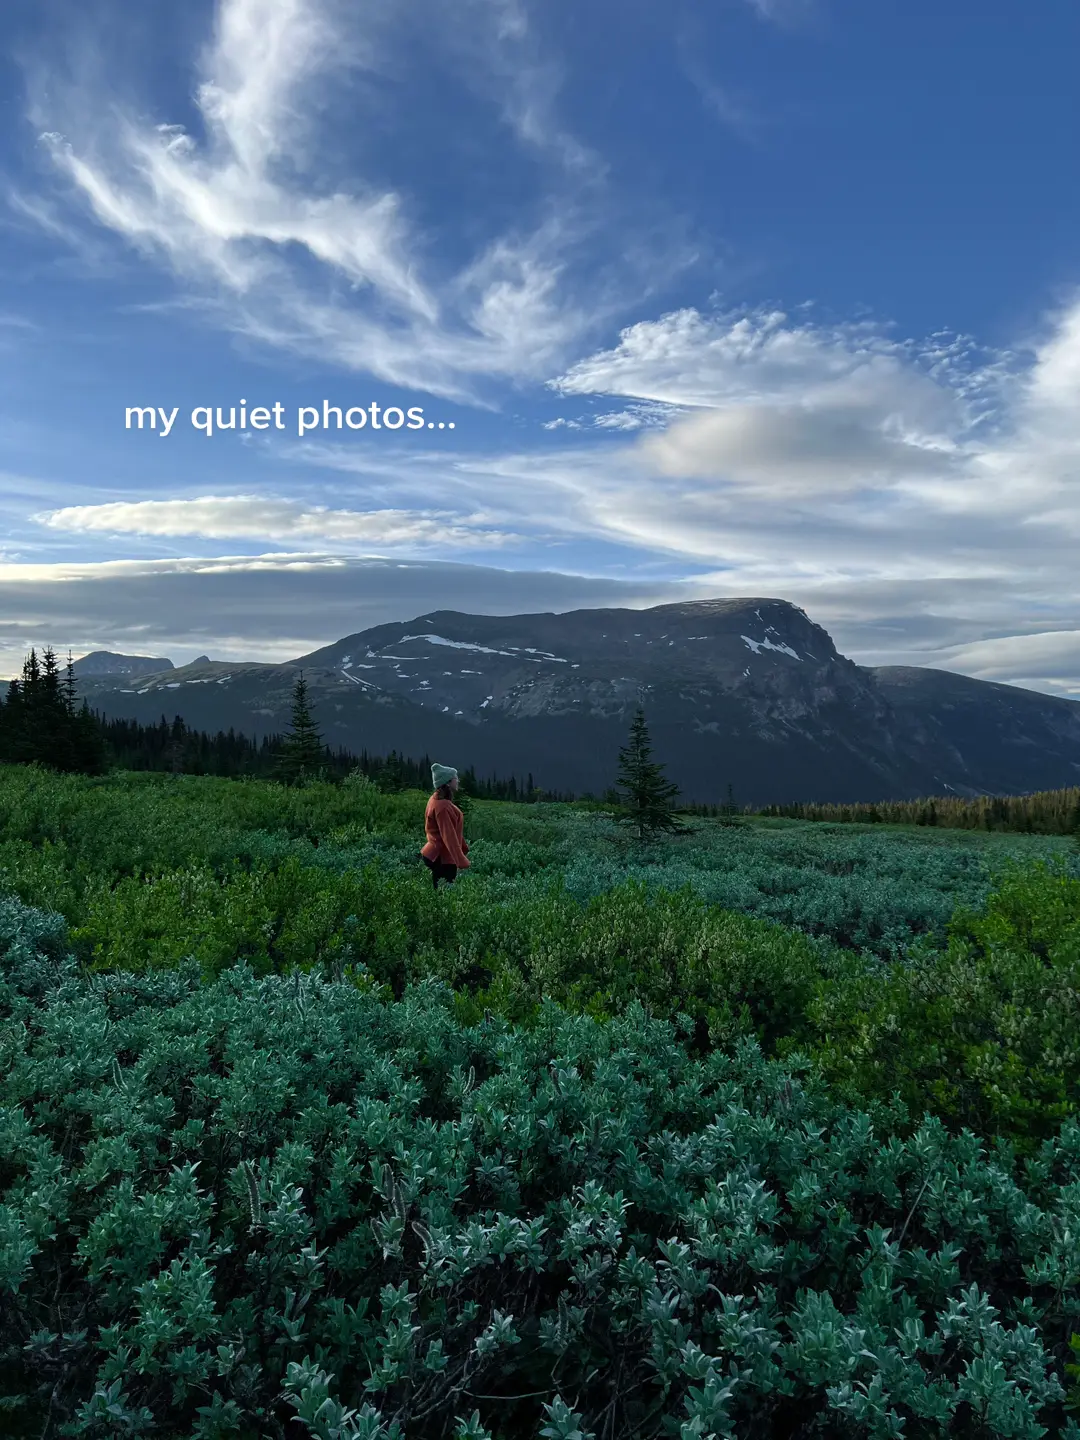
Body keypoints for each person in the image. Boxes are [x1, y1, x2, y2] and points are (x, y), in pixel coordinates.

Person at [420, 762, 470, 889]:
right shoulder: (443, 807)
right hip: (442, 858)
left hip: (435, 854)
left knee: (439, 893)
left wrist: (462, 848)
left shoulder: (435, 800)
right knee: (444, 896)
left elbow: (451, 831)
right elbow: (449, 836)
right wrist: (461, 860)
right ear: (447, 783)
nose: (458, 780)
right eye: (455, 778)